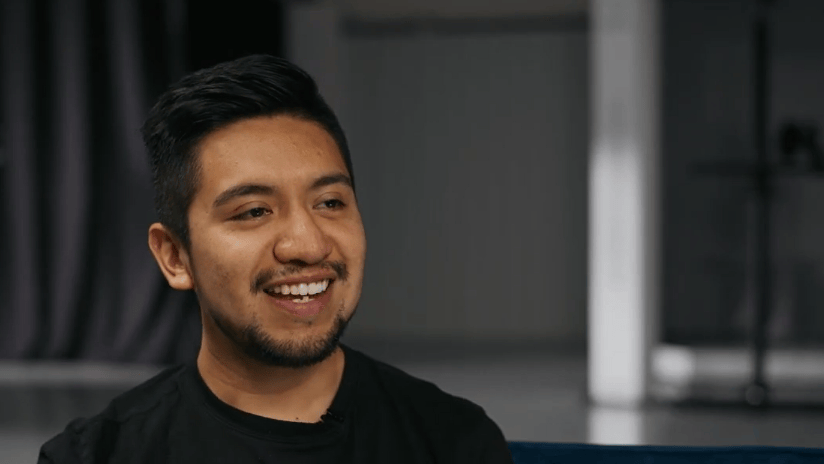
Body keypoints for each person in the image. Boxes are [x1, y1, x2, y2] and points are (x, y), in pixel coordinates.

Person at [38, 54, 513, 463]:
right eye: (254, 211)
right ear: (175, 257)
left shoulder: (452, 443)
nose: (307, 245)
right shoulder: (96, 455)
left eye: (329, 202)